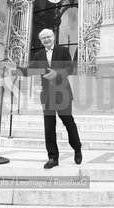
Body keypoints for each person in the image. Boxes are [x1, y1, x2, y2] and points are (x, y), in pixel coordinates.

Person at [12, 28, 82, 169]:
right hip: (47, 96)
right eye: (43, 38)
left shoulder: (63, 51)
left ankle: (77, 148)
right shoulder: (38, 55)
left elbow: (70, 68)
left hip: (63, 94)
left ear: (53, 37)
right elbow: (29, 71)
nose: (46, 39)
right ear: (41, 40)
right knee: (49, 126)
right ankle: (52, 157)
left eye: (48, 36)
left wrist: (56, 74)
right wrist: (15, 68)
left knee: (68, 122)